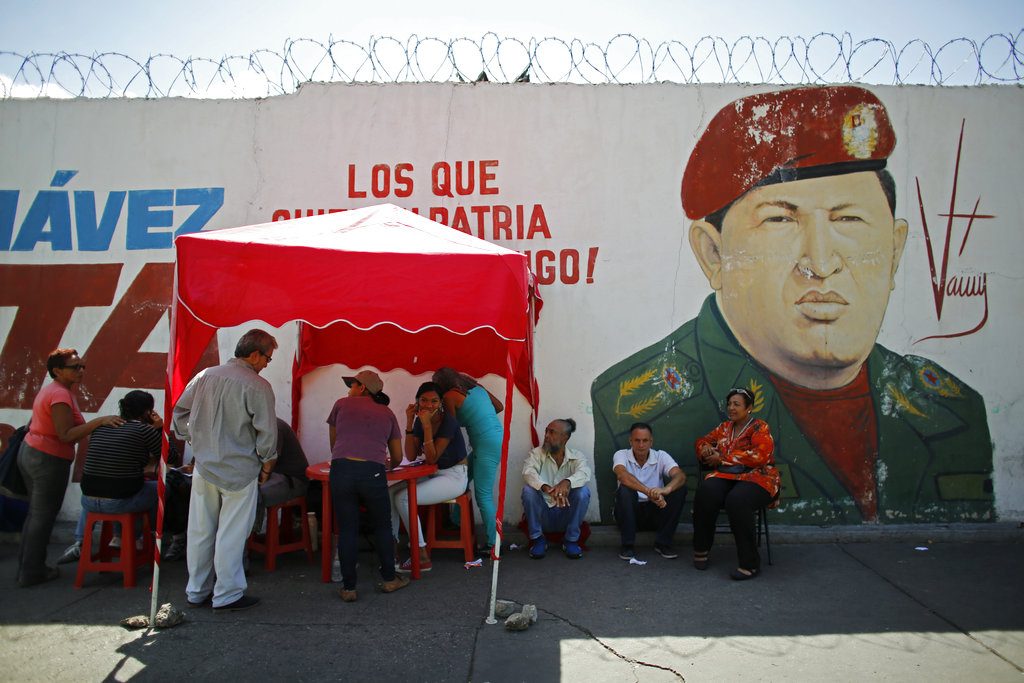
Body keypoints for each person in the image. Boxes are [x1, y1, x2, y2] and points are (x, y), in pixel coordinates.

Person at [592, 85, 993, 525]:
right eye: (780, 220)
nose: (820, 263)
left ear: (895, 251)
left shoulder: (952, 408)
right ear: (713, 255)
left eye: (849, 219)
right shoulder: (635, 405)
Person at [172, 329, 279, 612]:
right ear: (255, 354)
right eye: (267, 358)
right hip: (239, 469)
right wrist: (267, 464)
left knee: (200, 530)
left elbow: (179, 413)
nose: (268, 363)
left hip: (205, 466)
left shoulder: (206, 375)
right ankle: (227, 593)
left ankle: (197, 590)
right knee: (231, 534)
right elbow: (267, 433)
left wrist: (195, 438)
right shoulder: (258, 386)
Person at [16, 348, 123, 587]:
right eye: (75, 367)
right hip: (47, 458)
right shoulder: (60, 395)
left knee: (36, 515)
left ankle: (28, 566)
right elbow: (65, 435)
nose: (81, 371)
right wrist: (99, 421)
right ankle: (32, 571)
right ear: (57, 371)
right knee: (42, 516)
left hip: (36, 452)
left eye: (82, 366)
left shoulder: (57, 391)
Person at [327, 369, 409, 602]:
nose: (349, 389)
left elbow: (334, 443)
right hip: (372, 472)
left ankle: (349, 587)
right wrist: (387, 465)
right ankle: (390, 579)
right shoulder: (387, 413)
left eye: (352, 385)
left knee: (347, 529)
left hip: (341, 470)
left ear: (362, 387)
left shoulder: (340, 405)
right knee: (382, 526)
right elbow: (396, 455)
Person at [57, 390, 163, 565]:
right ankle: (139, 537)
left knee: (108, 490)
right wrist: (158, 429)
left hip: (88, 501)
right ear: (147, 412)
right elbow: (171, 457)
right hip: (119, 500)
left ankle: (85, 541)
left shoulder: (103, 426)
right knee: (160, 490)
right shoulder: (145, 430)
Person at [692, 388, 781, 580]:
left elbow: (759, 456)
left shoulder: (759, 427)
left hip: (758, 477)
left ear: (749, 408)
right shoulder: (724, 428)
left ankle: (750, 563)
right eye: (730, 404)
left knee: (737, 501)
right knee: (706, 491)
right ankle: (701, 548)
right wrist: (705, 448)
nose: (731, 408)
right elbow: (702, 440)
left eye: (737, 404)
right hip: (728, 476)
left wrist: (722, 457)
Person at [390, 381, 469, 572]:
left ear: (441, 403)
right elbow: (410, 455)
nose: (428, 405)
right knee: (390, 492)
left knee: (404, 498)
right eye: (424, 400)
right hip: (434, 474)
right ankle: (390, 546)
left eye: (434, 401)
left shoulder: (448, 421)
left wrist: (426, 427)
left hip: (455, 476)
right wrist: (410, 423)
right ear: (417, 402)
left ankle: (421, 554)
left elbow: (432, 457)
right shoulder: (419, 420)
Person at [431, 367, 504, 555]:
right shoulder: (477, 389)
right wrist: (478, 412)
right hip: (495, 439)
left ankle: (494, 543)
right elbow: (499, 407)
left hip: (485, 443)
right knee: (464, 477)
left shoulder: (449, 397)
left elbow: (451, 427)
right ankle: (457, 520)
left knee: (483, 495)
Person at [612, 422, 686, 561]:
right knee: (625, 490)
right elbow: (622, 475)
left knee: (679, 488)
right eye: (637, 440)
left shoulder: (661, 456)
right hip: (629, 514)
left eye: (645, 440)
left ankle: (663, 543)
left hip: (655, 511)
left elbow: (680, 476)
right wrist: (649, 492)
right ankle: (627, 545)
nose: (641, 445)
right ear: (630, 441)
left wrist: (665, 490)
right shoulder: (621, 455)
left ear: (651, 442)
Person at [521, 418, 592, 560]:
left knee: (583, 492)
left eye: (552, 432)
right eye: (546, 431)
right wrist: (546, 488)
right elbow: (528, 472)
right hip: (544, 514)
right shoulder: (536, 454)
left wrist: (567, 482)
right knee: (528, 491)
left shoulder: (577, 456)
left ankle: (571, 540)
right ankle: (538, 539)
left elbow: (585, 473)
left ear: (565, 437)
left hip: (566, 514)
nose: (546, 435)